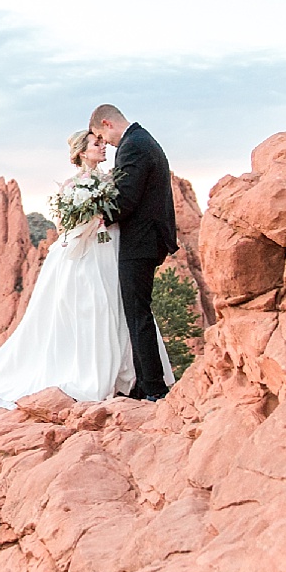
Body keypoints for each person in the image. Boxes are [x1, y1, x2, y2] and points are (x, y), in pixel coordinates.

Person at [0, 129, 172, 408]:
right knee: (90, 309)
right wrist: (91, 218)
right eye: (96, 144)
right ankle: (92, 373)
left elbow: (122, 208)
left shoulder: (113, 180)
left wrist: (102, 214)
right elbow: (65, 226)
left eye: (102, 142)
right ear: (81, 153)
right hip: (87, 255)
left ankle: (129, 378)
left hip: (112, 251)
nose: (102, 147)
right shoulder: (71, 186)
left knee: (119, 309)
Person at [89, 103, 178, 400]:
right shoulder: (143, 140)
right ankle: (145, 383)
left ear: (107, 123)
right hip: (147, 239)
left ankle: (153, 388)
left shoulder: (133, 146)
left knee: (137, 314)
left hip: (141, 242)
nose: (106, 144)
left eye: (102, 136)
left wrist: (100, 215)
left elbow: (126, 199)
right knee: (136, 312)